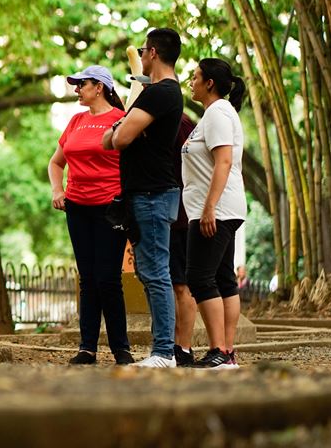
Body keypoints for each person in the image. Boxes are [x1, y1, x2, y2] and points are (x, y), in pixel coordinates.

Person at [102, 28, 184, 368]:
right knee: (151, 273)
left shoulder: (159, 93)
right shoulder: (161, 94)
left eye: (142, 50)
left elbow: (118, 139)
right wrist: (121, 129)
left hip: (152, 193)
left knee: (156, 273)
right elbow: (113, 137)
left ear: (151, 52)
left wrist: (121, 127)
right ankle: (161, 349)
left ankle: (164, 351)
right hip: (147, 192)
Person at [48, 65, 134, 366]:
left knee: (108, 278)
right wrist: (58, 191)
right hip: (77, 207)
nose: (76, 89)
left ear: (99, 87)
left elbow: (133, 163)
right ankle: (87, 348)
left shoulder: (121, 120)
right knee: (87, 279)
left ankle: (121, 349)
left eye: (80, 84)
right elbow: (56, 163)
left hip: (110, 209)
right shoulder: (75, 121)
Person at [182, 58, 248, 369]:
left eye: (195, 77)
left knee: (199, 276)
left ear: (209, 83)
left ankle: (218, 350)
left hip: (216, 209)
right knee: (222, 277)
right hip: (218, 207)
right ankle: (226, 353)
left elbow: (223, 161)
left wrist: (209, 207)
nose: (191, 82)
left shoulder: (218, 112)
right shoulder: (213, 114)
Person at [169, 113, 198, 367]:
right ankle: (170, 346)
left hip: (181, 216)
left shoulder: (181, 123)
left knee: (182, 285)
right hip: (164, 216)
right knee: (165, 285)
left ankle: (184, 347)